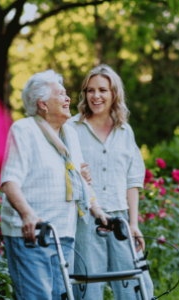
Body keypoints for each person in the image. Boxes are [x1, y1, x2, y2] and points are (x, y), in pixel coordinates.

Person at [0, 70, 107, 300]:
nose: (68, 98)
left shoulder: (69, 133)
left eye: (66, 93)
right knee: (37, 296)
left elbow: (78, 178)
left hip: (63, 234)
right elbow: (9, 181)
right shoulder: (24, 130)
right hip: (30, 234)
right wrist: (28, 215)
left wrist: (98, 210)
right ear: (43, 104)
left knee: (60, 296)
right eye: (61, 94)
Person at [67, 64, 154, 300]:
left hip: (120, 220)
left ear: (114, 94)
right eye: (90, 90)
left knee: (134, 288)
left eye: (103, 90)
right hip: (85, 220)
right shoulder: (71, 129)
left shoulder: (125, 131)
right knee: (88, 289)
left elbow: (132, 180)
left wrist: (134, 223)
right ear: (85, 94)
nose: (96, 96)